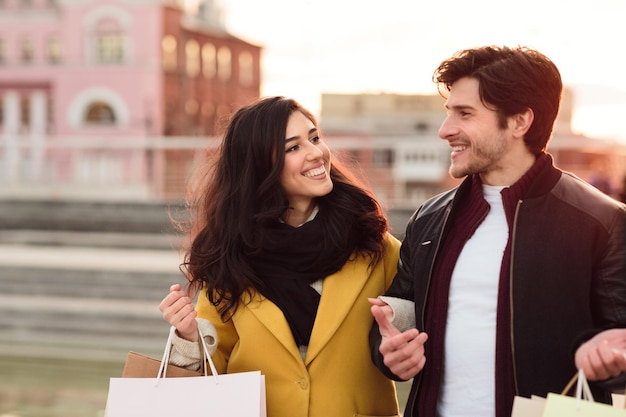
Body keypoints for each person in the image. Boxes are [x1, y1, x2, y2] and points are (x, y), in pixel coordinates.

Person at [368, 45, 626, 417]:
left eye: (465, 114)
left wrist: (610, 353)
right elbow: (397, 313)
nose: (446, 130)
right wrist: (387, 351)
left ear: (520, 122)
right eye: (448, 113)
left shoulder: (603, 222)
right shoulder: (429, 218)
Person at [159, 96, 402, 417]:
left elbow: (412, 333)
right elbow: (211, 374)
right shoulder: (230, 259)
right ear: (260, 167)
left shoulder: (374, 244)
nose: (317, 153)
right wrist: (189, 337)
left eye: (314, 138)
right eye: (293, 147)